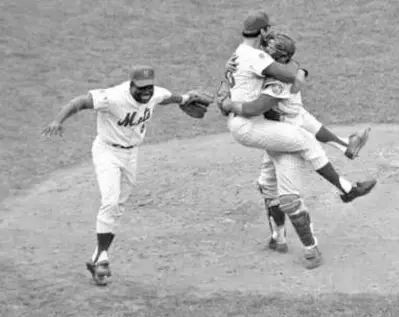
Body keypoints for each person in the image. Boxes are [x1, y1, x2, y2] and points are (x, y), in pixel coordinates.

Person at [42, 65, 213, 285]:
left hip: (132, 154)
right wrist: (58, 120)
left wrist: (187, 97)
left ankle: (97, 257)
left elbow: (168, 97)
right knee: (110, 202)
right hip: (107, 152)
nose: (146, 92)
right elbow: (80, 101)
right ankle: (103, 258)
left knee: (118, 206)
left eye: (148, 88)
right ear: (131, 84)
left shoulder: (155, 93)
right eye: (141, 88)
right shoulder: (113, 97)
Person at [218, 34, 377, 268]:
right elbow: (278, 71)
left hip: (286, 136)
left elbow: (256, 108)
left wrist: (228, 104)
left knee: (290, 196)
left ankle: (312, 248)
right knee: (268, 187)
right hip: (274, 135)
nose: (261, 53)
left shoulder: (276, 82)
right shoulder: (279, 70)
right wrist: (229, 73)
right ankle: (278, 239)